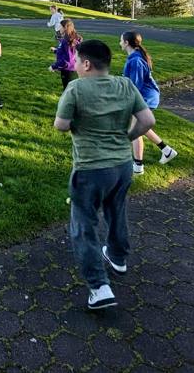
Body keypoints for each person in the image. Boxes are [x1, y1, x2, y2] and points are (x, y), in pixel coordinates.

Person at [54, 39, 155, 310]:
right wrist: (126, 137)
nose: (74, 65)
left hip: (90, 169)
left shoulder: (76, 88)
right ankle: (118, 258)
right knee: (116, 211)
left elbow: (61, 125)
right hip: (122, 167)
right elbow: (148, 121)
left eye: (76, 61)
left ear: (86, 64)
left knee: (83, 225)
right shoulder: (125, 84)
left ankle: (99, 287)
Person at [120, 31, 178, 174]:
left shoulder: (136, 61)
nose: (119, 43)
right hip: (146, 96)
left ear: (127, 43)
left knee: (135, 131)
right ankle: (167, 151)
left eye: (121, 40)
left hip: (145, 97)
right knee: (140, 128)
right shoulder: (135, 57)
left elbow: (136, 85)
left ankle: (138, 167)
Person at [49, 18, 82, 90]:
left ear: (65, 28)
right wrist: (56, 51)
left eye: (60, 26)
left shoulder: (67, 41)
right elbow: (67, 53)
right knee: (71, 92)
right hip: (71, 69)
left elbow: (67, 59)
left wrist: (54, 66)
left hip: (68, 70)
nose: (59, 28)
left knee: (68, 92)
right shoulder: (69, 39)